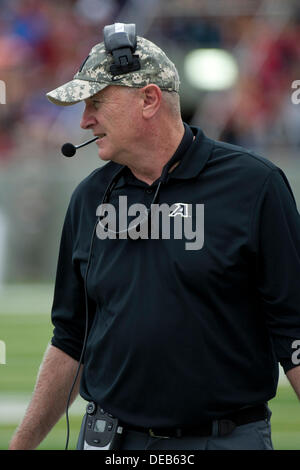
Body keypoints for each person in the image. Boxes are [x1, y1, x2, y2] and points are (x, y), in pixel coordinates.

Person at [9, 23, 300, 451]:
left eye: (97, 102)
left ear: (149, 99)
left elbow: (293, 331)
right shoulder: (89, 198)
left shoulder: (255, 187)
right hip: (111, 442)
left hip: (225, 439)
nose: (85, 119)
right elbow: (71, 340)